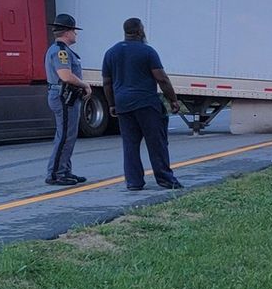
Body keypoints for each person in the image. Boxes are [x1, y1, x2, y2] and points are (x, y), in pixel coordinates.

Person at [100, 17, 184, 191]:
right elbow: (161, 78)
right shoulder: (147, 52)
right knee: (156, 143)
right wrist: (173, 100)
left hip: (123, 104)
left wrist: (112, 104)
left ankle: (134, 182)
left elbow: (107, 82)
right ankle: (165, 179)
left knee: (130, 144)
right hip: (146, 103)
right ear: (139, 31)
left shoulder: (111, 53)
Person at [43, 13, 89, 186]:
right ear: (68, 32)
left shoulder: (61, 50)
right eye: (74, 31)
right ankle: (56, 173)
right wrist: (85, 85)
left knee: (68, 135)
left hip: (64, 96)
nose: (76, 35)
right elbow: (65, 75)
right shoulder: (61, 52)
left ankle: (64, 170)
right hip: (64, 96)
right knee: (64, 136)